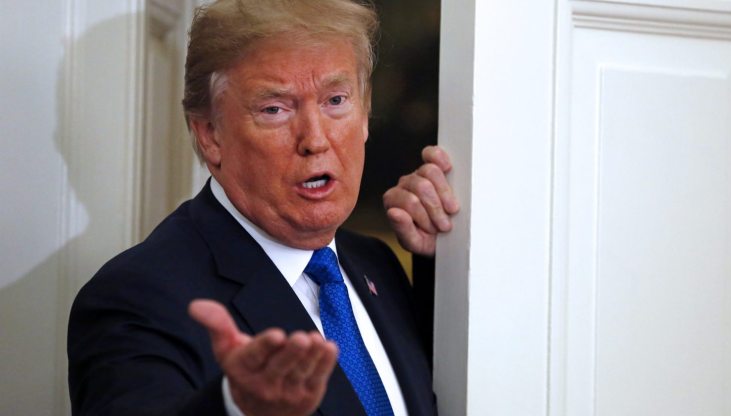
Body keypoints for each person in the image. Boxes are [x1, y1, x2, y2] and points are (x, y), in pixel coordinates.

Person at [67, 1, 458, 415]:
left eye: (336, 100)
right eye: (275, 109)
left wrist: (448, 259)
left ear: (365, 114)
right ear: (210, 134)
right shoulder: (136, 298)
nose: (315, 139)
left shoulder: (376, 264)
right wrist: (235, 407)